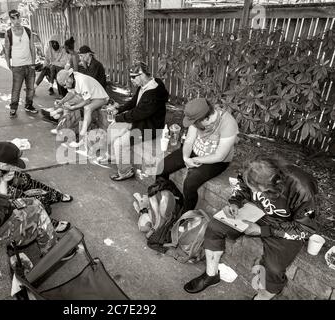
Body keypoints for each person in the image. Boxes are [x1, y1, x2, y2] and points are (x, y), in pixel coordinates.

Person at [183, 155, 318, 300]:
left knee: (273, 268)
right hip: (256, 213)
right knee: (215, 226)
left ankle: (262, 297)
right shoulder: (252, 169)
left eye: (259, 190)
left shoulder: (302, 187)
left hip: (286, 226)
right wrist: (235, 202)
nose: (255, 194)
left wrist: (264, 230)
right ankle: (211, 275)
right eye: (253, 190)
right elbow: (242, 186)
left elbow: (304, 228)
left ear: (275, 183)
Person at [155, 98, 238, 211]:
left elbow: (220, 155)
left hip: (216, 161)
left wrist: (196, 160)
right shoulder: (198, 118)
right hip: (195, 152)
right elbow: (189, 140)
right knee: (161, 168)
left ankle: (185, 214)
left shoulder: (228, 124)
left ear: (205, 119)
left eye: (193, 123)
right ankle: (167, 201)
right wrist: (186, 158)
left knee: (190, 184)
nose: (192, 125)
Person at [103, 62, 169, 181]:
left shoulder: (153, 93)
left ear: (142, 75)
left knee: (119, 143)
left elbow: (138, 113)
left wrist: (118, 118)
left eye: (133, 76)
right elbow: (134, 102)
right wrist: (119, 110)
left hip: (149, 128)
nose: (131, 79)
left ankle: (125, 171)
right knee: (112, 130)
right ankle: (112, 157)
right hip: (140, 122)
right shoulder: (145, 86)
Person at [55, 68, 109, 148]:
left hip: (101, 98)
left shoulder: (81, 80)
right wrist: (62, 101)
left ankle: (82, 136)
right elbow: (71, 93)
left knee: (87, 108)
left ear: (68, 80)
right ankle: (68, 128)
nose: (65, 87)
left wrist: (74, 107)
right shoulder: (72, 79)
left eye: (64, 85)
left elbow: (87, 101)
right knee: (68, 103)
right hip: (91, 97)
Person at [4, 9, 38, 118]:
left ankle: (29, 105)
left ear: (20, 17)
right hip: (17, 66)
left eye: (17, 17)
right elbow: (7, 49)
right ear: (10, 19)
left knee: (31, 88)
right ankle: (13, 108)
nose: (16, 20)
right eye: (13, 18)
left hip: (29, 64)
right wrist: (8, 63)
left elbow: (32, 47)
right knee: (16, 89)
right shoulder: (8, 33)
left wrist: (33, 63)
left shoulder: (28, 31)